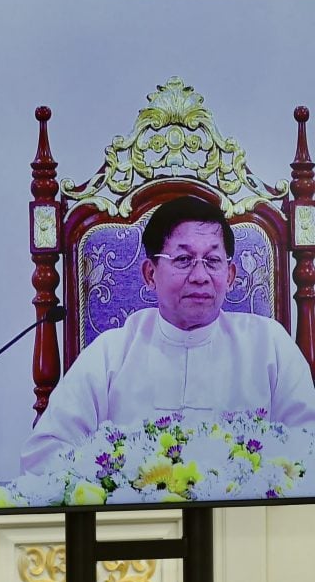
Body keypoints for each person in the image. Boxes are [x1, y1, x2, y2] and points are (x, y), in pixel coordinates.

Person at [21, 195, 315, 474]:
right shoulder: (111, 353)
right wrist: (120, 478)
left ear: (230, 275)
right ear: (150, 274)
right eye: (183, 260)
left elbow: (309, 448)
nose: (200, 276)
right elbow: (43, 455)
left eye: (213, 261)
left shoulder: (270, 346)